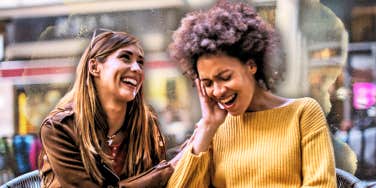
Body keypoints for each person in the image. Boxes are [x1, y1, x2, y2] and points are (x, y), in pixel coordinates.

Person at [166, 1, 337, 187]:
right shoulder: (213, 129)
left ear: (251, 66)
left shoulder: (303, 113)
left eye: (225, 77)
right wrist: (207, 127)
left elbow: (321, 184)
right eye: (207, 83)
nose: (217, 91)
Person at [39, 30, 173, 187]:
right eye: (125, 57)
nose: (137, 68)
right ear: (95, 67)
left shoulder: (146, 124)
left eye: (140, 62)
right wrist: (164, 173)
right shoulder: (60, 128)